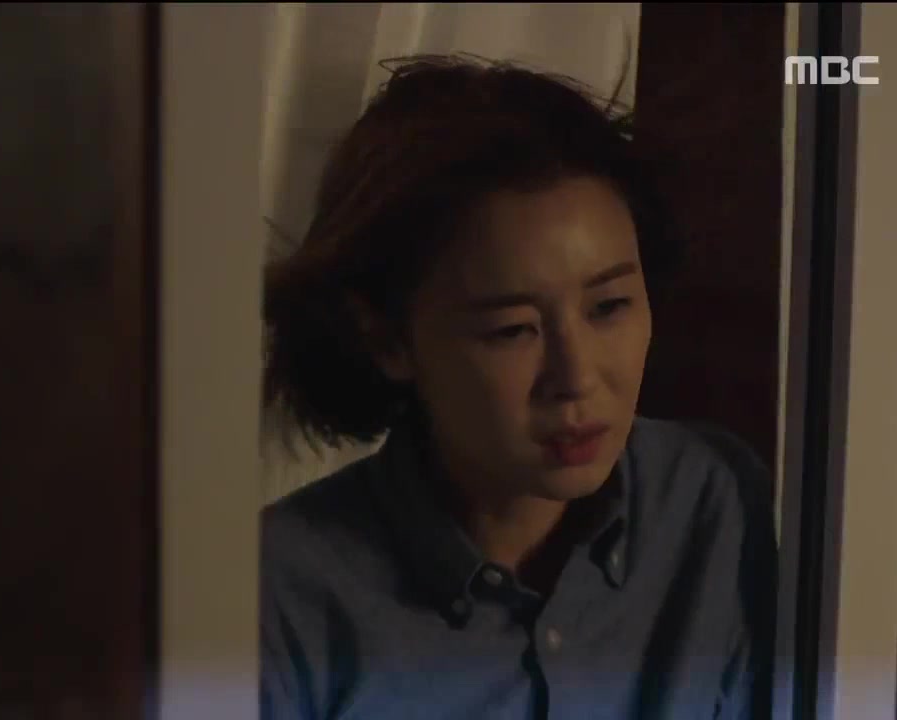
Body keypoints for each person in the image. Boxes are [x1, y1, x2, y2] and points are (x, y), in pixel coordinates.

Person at [258, 54, 778, 719]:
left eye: (609, 307)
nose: (577, 378)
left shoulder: (709, 501)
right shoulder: (281, 593)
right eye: (512, 330)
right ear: (388, 340)